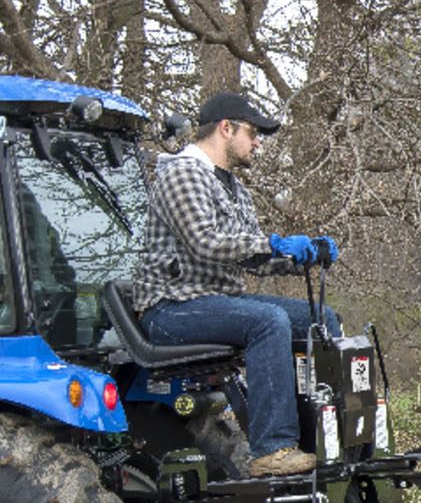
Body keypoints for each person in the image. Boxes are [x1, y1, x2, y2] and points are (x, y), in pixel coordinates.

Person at [131, 91, 341, 477]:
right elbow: (204, 241)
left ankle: (327, 436)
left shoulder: (234, 189)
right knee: (268, 321)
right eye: (253, 132)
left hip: (215, 302)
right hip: (171, 308)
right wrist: (272, 242)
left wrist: (301, 255)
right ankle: (272, 450)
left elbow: (251, 256)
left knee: (322, 319)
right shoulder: (182, 173)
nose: (258, 142)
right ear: (226, 128)